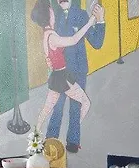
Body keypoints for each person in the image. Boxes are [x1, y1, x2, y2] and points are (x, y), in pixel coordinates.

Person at [46, 0, 105, 153]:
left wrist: (100, 20)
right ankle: (50, 140)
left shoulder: (81, 15)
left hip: (78, 71)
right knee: (57, 107)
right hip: (60, 72)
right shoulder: (54, 16)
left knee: (75, 107)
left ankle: (73, 140)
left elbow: (97, 43)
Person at [31, 0, 98, 134]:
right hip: (64, 78)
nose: (54, 13)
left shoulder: (47, 34)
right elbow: (73, 40)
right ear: (48, 15)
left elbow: (49, 57)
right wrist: (89, 23)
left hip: (56, 77)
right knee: (86, 103)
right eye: (51, 11)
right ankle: (74, 129)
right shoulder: (52, 36)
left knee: (47, 108)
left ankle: (35, 134)